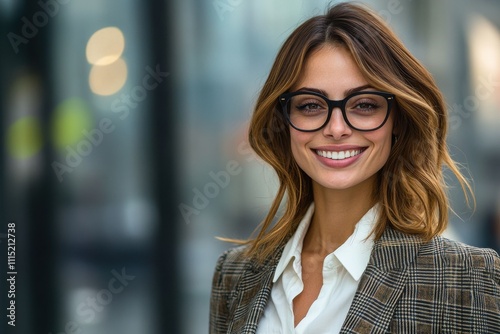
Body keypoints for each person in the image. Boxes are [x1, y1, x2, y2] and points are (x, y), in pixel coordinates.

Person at [209, 2, 500, 333]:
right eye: (310, 105)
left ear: (397, 121)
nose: (336, 128)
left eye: (363, 105)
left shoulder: (467, 279)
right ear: (284, 122)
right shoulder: (233, 275)